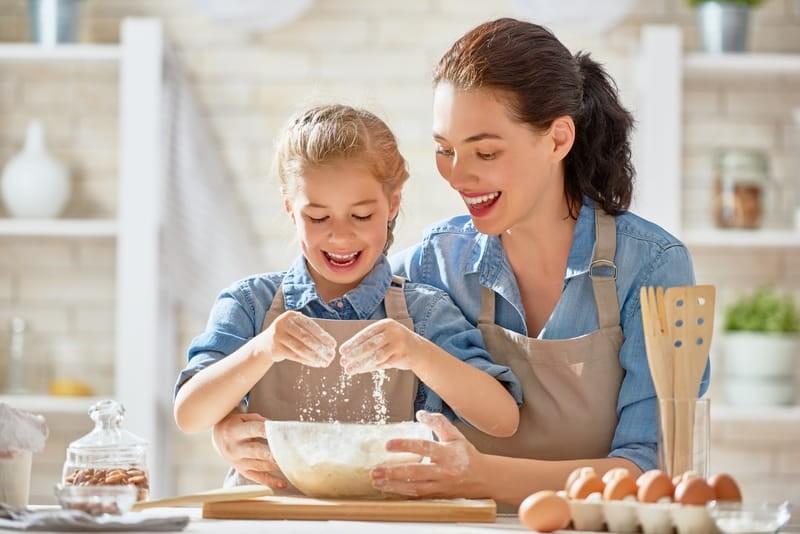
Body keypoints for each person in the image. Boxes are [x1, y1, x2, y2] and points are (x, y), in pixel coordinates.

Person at [210, 18, 709, 506]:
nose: (458, 175)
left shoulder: (653, 267)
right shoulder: (436, 261)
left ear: (558, 139)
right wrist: (231, 425)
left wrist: (482, 477)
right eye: (444, 150)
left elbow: (652, 468)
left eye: (485, 153)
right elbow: (320, 301)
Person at [173, 103, 522, 490]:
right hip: (270, 520)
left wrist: (418, 353)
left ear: (392, 205)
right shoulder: (249, 304)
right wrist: (262, 350)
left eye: (361, 216)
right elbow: (190, 415)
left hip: (386, 520)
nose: (340, 236)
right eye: (318, 218)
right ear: (290, 209)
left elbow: (502, 419)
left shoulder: (424, 312)